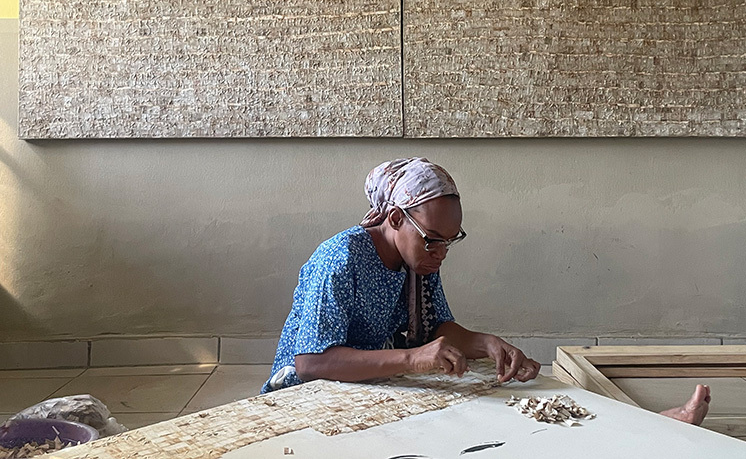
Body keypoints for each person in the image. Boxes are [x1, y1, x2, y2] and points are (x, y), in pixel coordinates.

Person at [261, 157, 710, 426]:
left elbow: (437, 328)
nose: (440, 252)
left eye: (450, 242)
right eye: (432, 238)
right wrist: (413, 359)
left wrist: (485, 344)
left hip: (376, 382)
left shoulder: (420, 260)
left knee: (515, 408)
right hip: (308, 398)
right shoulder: (339, 259)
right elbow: (313, 363)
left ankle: (653, 428)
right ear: (395, 219)